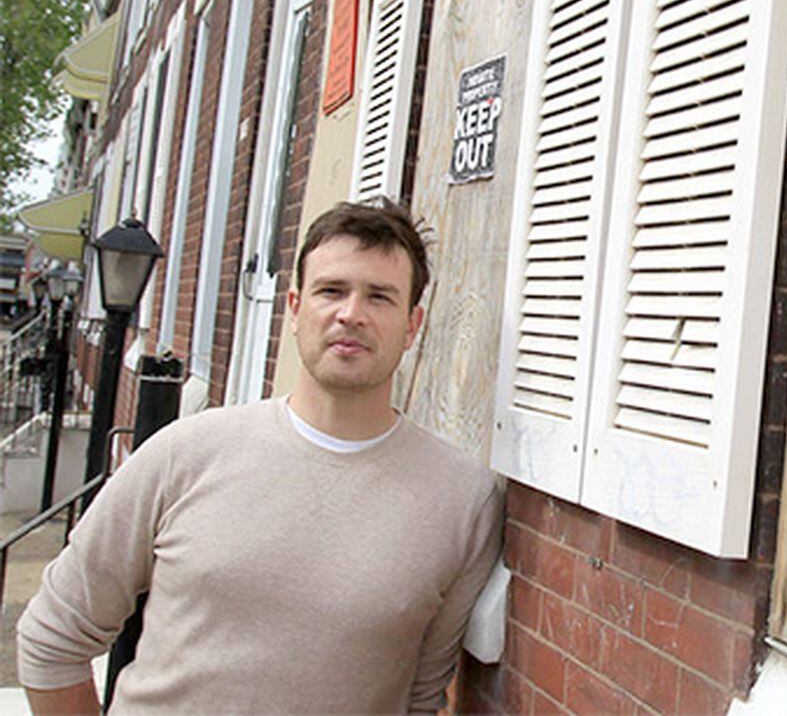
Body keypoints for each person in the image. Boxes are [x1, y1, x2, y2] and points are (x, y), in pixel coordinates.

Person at [18, 200, 502, 713]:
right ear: (294, 308)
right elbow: (53, 637)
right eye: (331, 291)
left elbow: (421, 699)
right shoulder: (185, 454)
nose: (351, 314)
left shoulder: (462, 501)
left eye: (379, 297)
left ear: (412, 325)